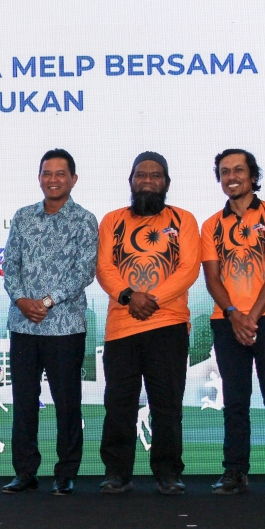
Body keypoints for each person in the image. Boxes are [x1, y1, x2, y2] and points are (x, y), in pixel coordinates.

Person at [95, 151, 200, 495]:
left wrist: (149, 298)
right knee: (119, 403)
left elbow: (188, 270)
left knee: (167, 404)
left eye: (156, 176)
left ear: (167, 183)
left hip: (168, 325)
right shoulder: (112, 220)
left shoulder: (184, 220)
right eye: (141, 175)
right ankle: (116, 472)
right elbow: (105, 268)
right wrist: (129, 296)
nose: (148, 181)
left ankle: (168, 472)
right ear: (131, 181)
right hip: (122, 327)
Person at [0, 149, 98, 496]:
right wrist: (22, 300)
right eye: (47, 173)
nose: (53, 179)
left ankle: (66, 472)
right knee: (24, 402)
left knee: (67, 401)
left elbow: (84, 271)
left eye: (60, 173)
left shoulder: (85, 220)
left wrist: (46, 301)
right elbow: (9, 264)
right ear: (39, 177)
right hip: (23, 325)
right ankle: (25, 472)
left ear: (73, 179)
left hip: (65, 327)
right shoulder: (23, 217)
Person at [200, 149, 265, 496]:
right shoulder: (211, 224)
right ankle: (235, 472)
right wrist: (233, 315)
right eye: (224, 172)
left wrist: (251, 317)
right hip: (226, 320)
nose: (231, 177)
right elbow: (212, 279)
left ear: (254, 176)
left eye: (238, 170)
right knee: (235, 399)